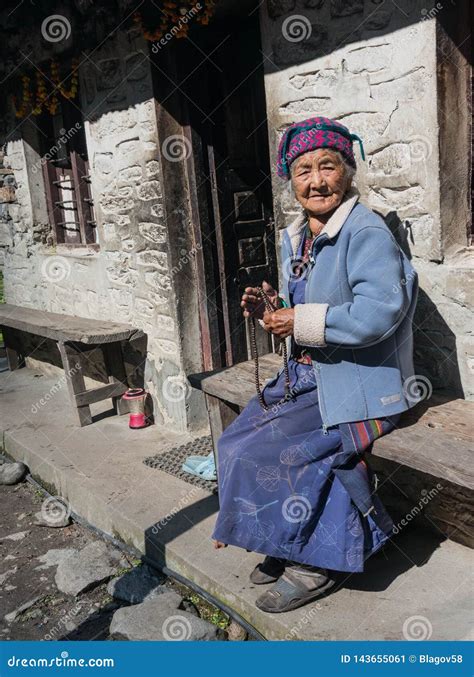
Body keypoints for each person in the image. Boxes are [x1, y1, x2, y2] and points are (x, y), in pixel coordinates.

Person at [211, 116, 419, 613]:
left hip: (362, 385)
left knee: (288, 451)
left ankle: (321, 563)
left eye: (328, 166)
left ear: (347, 173)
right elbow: (305, 300)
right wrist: (271, 306)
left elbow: (380, 312)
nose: (317, 180)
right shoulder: (299, 236)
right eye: (304, 170)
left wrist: (299, 322)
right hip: (310, 377)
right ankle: (288, 538)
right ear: (291, 179)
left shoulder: (365, 232)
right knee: (236, 442)